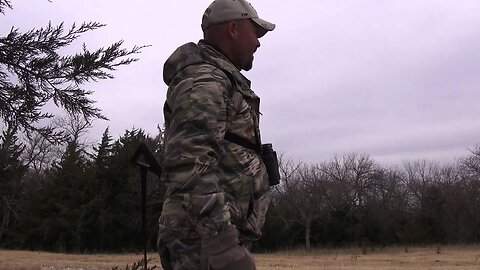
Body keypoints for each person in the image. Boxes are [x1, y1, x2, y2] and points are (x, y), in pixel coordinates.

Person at [157, 0, 275, 269]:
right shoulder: (205, 81)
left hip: (210, 242)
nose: (257, 43)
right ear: (233, 29)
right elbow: (189, 165)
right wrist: (224, 247)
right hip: (203, 247)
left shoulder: (219, 79)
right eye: (254, 33)